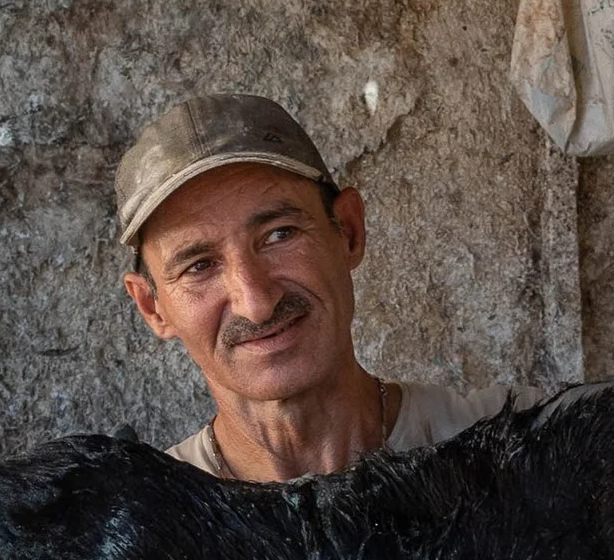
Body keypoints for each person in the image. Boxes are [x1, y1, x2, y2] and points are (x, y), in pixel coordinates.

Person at [115, 93, 511, 483]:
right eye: (199, 266)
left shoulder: (519, 452)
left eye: (279, 235)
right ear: (152, 308)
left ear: (349, 232)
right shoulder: (148, 530)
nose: (257, 304)